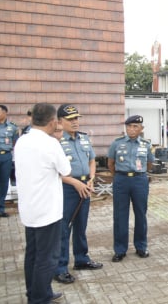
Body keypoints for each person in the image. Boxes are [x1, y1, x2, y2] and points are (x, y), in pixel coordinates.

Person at [15, 103, 71, 303]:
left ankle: (37, 292)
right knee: (47, 258)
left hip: (29, 209)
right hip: (47, 210)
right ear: (53, 122)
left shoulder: (22, 141)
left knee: (32, 255)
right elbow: (66, 170)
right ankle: (39, 298)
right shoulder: (50, 143)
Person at [54, 104, 103, 284]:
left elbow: (92, 160)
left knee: (81, 226)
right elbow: (55, 172)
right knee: (63, 228)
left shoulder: (83, 138)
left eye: (76, 118)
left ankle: (81, 259)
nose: (75, 122)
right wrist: (75, 183)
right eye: (70, 119)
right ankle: (60, 268)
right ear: (60, 121)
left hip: (85, 186)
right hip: (68, 187)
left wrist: (91, 179)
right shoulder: (56, 141)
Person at [107, 115, 155, 262]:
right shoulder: (117, 143)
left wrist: (138, 174)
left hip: (140, 180)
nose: (131, 129)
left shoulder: (146, 145)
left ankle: (141, 246)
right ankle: (120, 250)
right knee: (120, 216)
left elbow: (149, 164)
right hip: (121, 180)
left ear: (141, 129)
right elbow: (111, 163)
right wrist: (120, 176)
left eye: (135, 126)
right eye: (129, 126)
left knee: (140, 214)